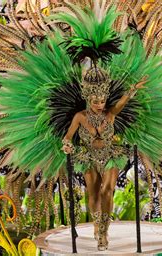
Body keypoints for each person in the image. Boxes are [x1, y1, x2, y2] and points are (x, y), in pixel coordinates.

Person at [61, 67, 146, 250]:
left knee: (107, 190)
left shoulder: (110, 114)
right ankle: (97, 223)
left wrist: (133, 89)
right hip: (88, 157)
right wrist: (67, 145)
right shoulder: (80, 117)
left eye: (102, 101)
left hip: (110, 156)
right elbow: (67, 137)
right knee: (93, 193)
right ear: (88, 99)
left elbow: (122, 102)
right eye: (96, 101)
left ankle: (103, 232)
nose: (100, 104)